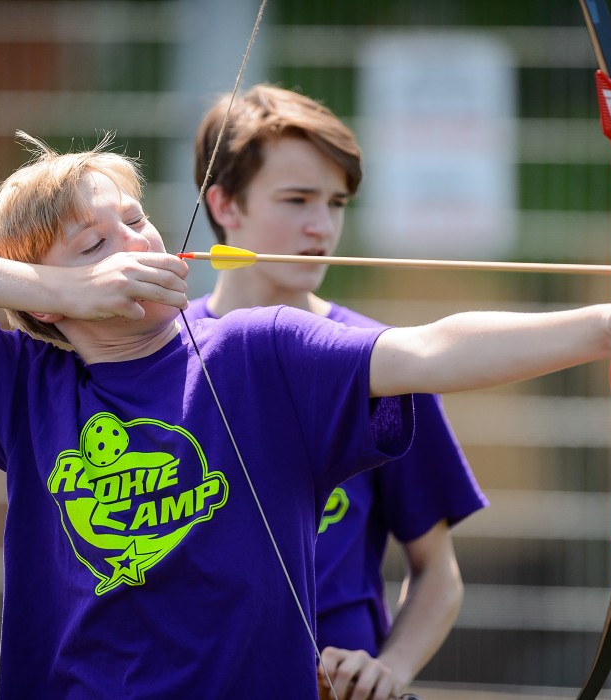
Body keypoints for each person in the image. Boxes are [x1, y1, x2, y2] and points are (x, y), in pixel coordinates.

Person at [0, 132, 611, 699]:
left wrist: (609, 323)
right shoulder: (25, 380)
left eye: (135, 220)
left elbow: (433, 350)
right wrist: (55, 287)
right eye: (95, 243)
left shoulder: (258, 352)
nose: (133, 242)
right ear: (49, 304)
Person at [185, 83, 487, 699]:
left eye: (337, 202)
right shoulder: (159, 354)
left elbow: (438, 573)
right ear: (224, 205)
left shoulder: (378, 363)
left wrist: (391, 668)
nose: (321, 226)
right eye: (296, 199)